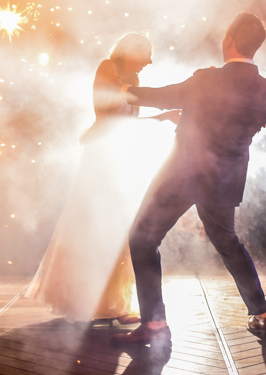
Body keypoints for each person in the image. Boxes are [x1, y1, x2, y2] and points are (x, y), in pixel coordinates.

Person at [113, 12, 266, 348]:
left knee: (142, 239)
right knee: (229, 244)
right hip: (226, 180)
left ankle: (155, 323)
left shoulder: (207, 79)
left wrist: (122, 90)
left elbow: (165, 95)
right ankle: (262, 315)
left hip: (184, 174)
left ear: (229, 40)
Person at [26, 33, 175, 323]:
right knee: (92, 226)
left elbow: (128, 124)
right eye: (146, 53)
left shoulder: (134, 80)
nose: (150, 61)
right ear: (130, 51)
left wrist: (162, 115)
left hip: (120, 160)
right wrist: (161, 113)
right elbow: (111, 118)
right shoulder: (108, 69)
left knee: (117, 229)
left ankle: (112, 304)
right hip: (100, 160)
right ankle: (86, 299)